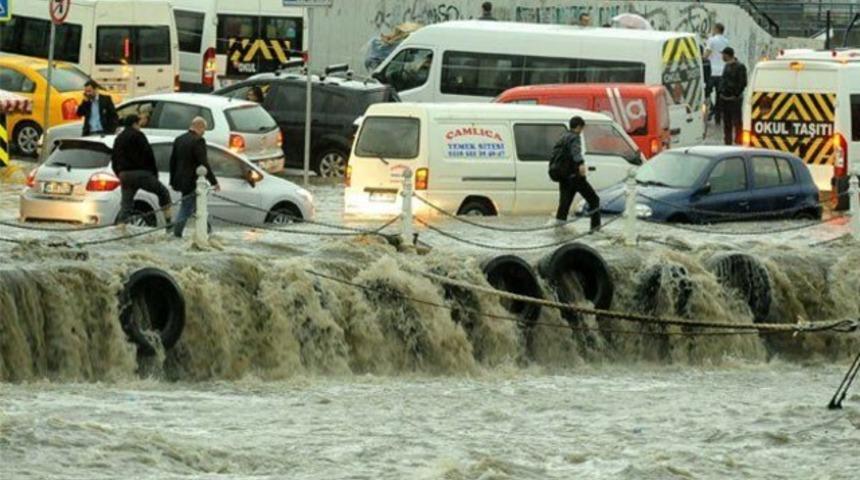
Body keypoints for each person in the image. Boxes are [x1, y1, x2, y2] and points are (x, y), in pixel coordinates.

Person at [111, 115, 172, 225]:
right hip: (142, 173)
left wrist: (119, 173)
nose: (140, 126)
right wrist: (154, 174)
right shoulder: (139, 135)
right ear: (134, 124)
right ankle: (168, 222)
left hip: (125, 175)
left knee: (126, 205)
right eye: (139, 124)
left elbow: (114, 159)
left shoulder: (119, 138)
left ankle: (120, 227)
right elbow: (149, 155)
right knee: (163, 192)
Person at [169, 117, 220, 238]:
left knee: (197, 207)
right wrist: (214, 182)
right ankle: (176, 234)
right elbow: (203, 163)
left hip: (180, 179)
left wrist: (172, 180)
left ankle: (207, 232)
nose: (204, 132)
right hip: (192, 181)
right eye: (204, 129)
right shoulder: (198, 141)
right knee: (186, 208)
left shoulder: (179, 139)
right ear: (200, 127)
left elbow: (172, 161)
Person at [554, 117, 600, 232]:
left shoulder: (563, 136)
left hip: (563, 176)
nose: (582, 131)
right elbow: (576, 154)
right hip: (575, 176)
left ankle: (559, 230)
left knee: (564, 205)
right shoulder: (575, 137)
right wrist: (581, 165)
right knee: (594, 200)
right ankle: (595, 230)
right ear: (579, 127)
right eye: (582, 128)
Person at [719, 47, 747, 145]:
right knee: (727, 122)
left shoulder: (740, 67)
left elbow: (743, 83)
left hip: (735, 100)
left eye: (723, 54)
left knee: (737, 121)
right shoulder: (726, 66)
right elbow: (723, 80)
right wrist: (721, 92)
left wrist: (735, 94)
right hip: (725, 98)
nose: (722, 57)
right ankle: (727, 141)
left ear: (727, 55)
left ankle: (738, 141)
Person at [703, 23, 730, 123]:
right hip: (723, 72)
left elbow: (706, 55)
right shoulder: (726, 41)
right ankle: (718, 117)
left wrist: (702, 58)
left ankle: (710, 110)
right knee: (719, 96)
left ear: (716, 29)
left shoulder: (712, 40)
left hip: (712, 72)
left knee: (706, 93)